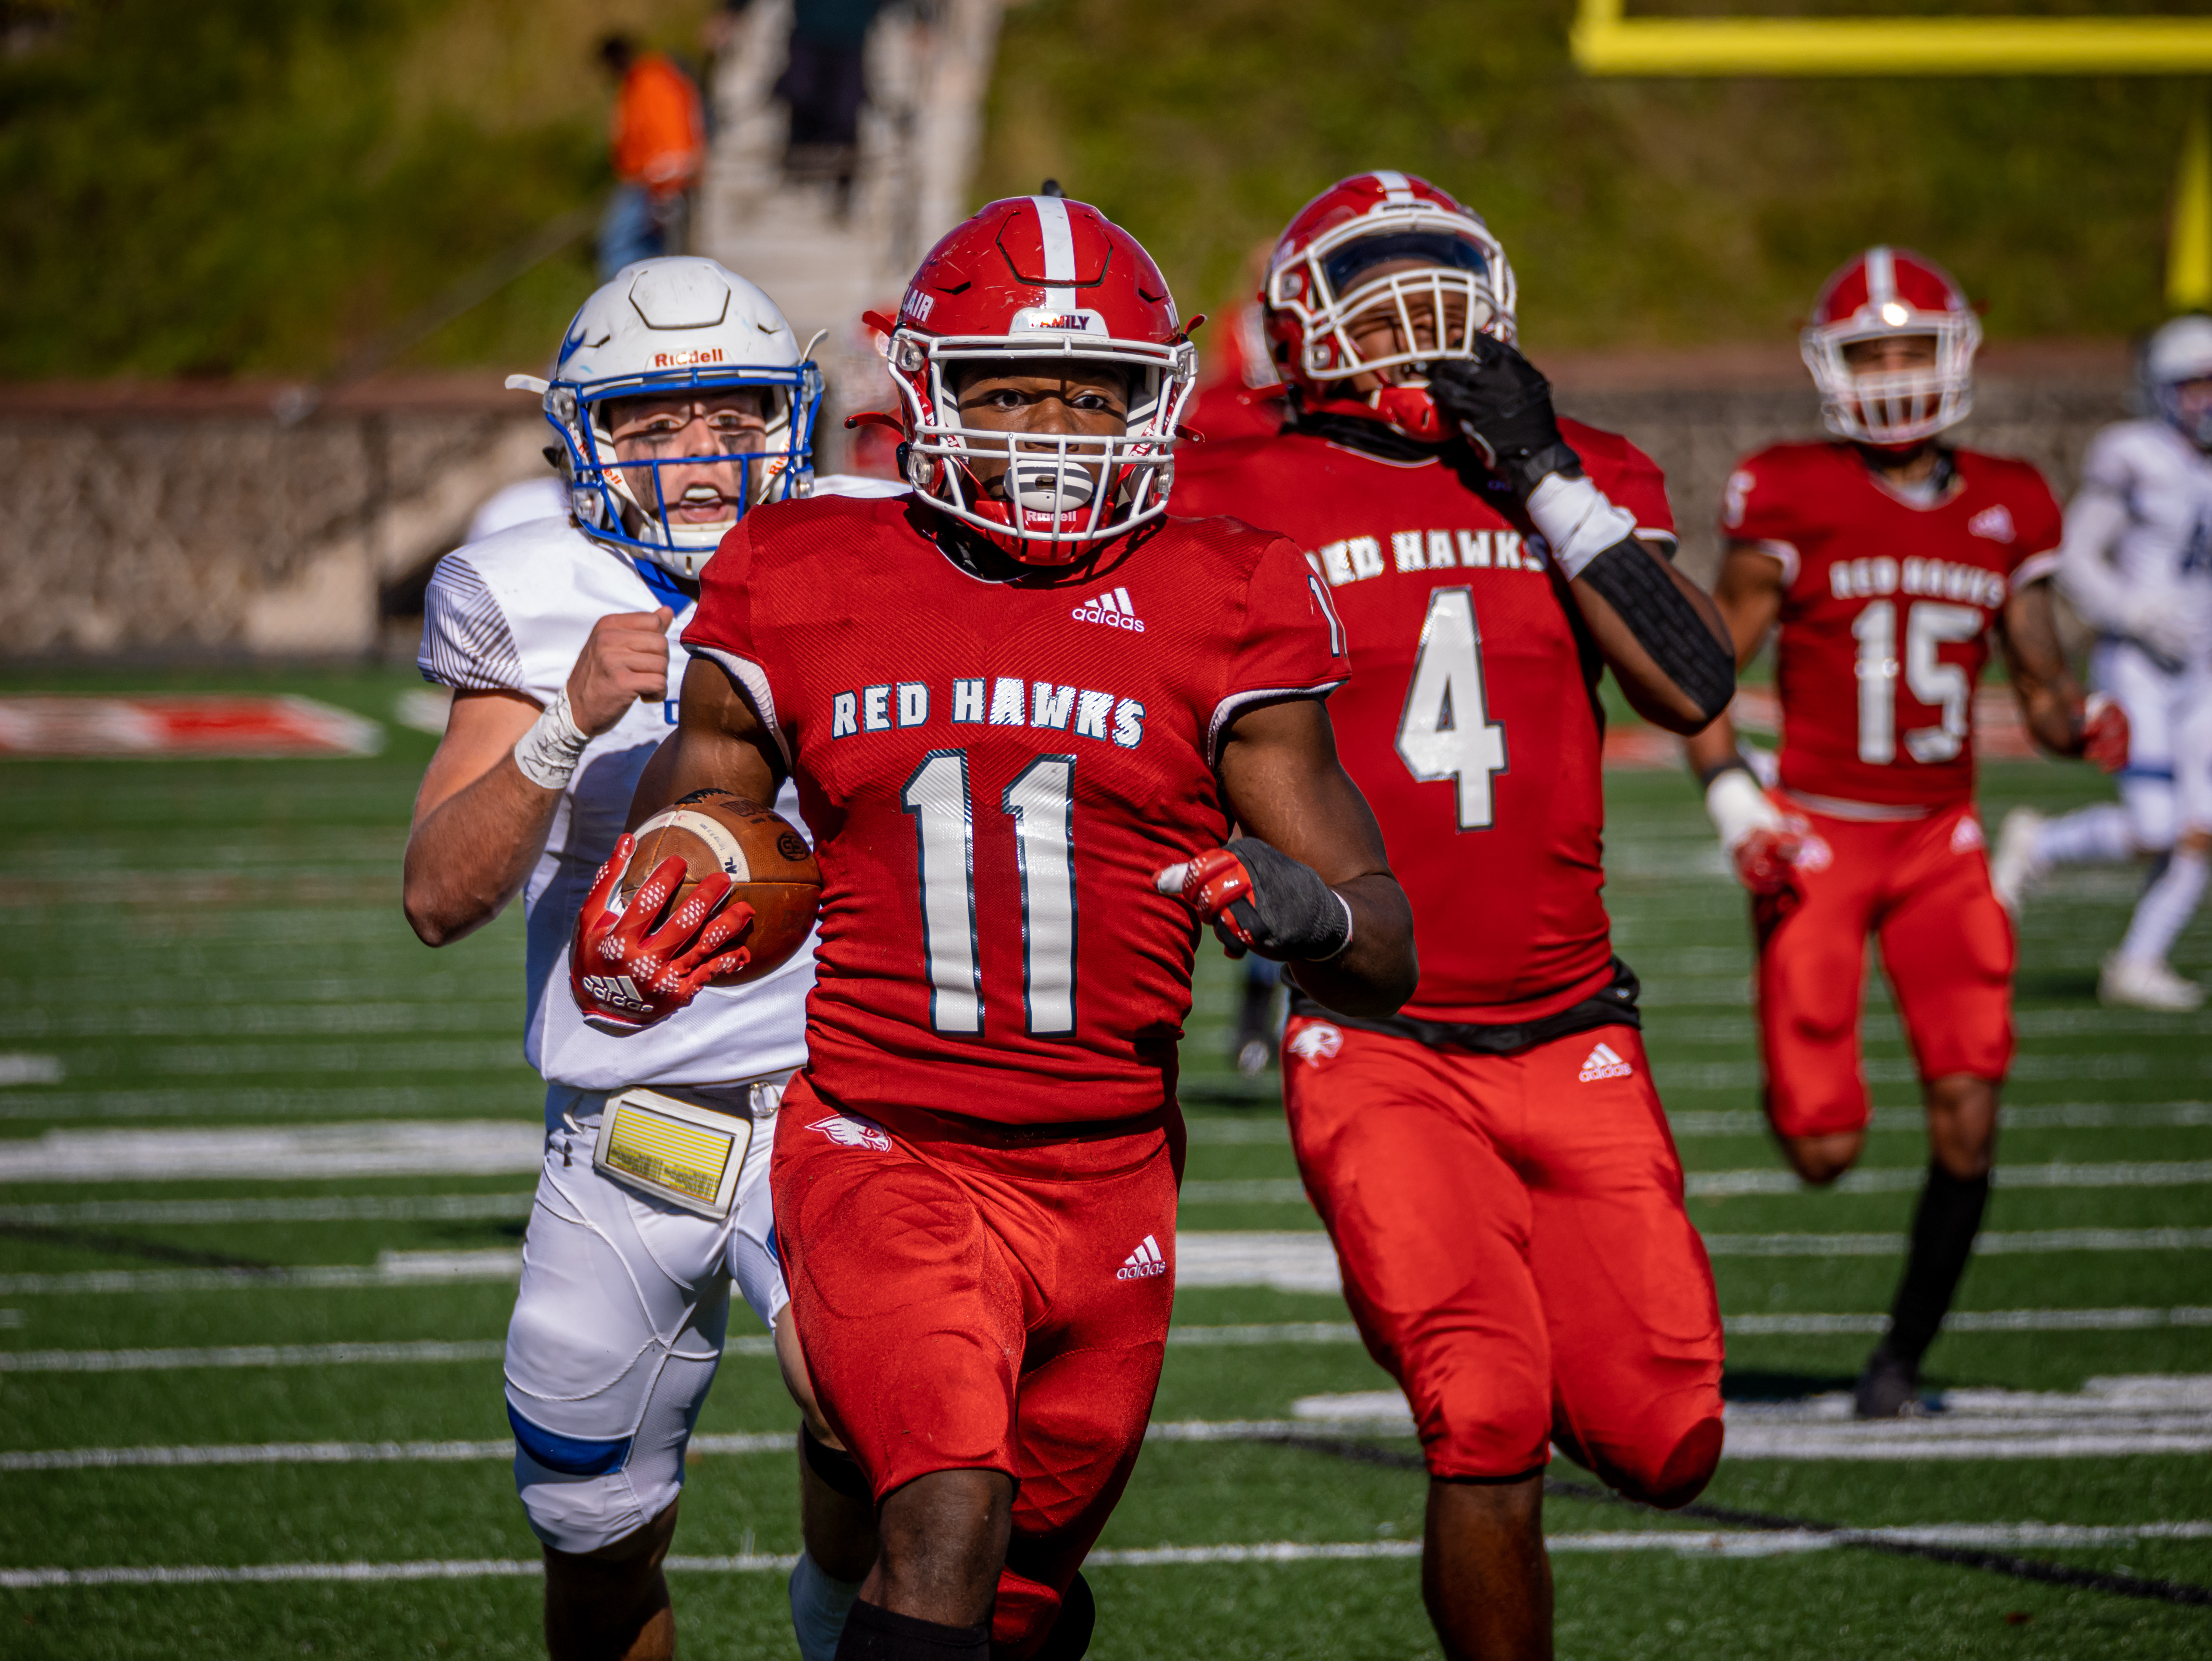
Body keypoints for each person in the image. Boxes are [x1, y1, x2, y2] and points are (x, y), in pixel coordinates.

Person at [572, 193, 1419, 1661]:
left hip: (1111, 1177)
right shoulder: (803, 572)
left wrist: (1306, 909)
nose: (1046, 429)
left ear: (1152, 405)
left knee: (1018, 1604)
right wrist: (666, 876)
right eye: (1005, 390)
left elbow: (1389, 947)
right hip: (884, 1143)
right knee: (947, 1524)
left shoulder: (1229, 592)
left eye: (1089, 396)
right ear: (927, 394)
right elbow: (700, 793)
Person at [1171, 171, 1738, 1661]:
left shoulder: (1573, 467)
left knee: (1666, 1437)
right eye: (1374, 294)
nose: (1412, 325)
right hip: (1381, 1035)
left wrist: (1543, 470)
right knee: (1481, 1413)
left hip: (1575, 1031)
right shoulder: (1237, 478)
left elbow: (1694, 683)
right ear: (1298, 328)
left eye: (1437, 290)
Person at [402, 256, 903, 1661]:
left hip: (840, 1104)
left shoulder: (871, 546)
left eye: (736, 415)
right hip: (630, 1129)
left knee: (886, 1422)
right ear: (584, 438)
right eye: (655, 425)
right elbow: (440, 897)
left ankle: (830, 1605)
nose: (701, 456)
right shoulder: (527, 590)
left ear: (793, 416)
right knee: (592, 1522)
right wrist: (565, 722)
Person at [1684, 247, 2128, 1421]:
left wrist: (2075, 718)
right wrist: (1732, 792)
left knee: (1970, 1104)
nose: (1890, 375)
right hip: (1820, 832)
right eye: (1867, 353)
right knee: (1821, 1147)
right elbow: (1700, 674)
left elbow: (2035, 680)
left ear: (1954, 356)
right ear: (1829, 367)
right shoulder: (1784, 489)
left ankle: (1897, 1358)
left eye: (1908, 351)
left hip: (1939, 836)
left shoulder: (2009, 498)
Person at [1991, 315, 2212, 1010]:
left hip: (2204, 668)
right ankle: (2043, 843)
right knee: (2153, 827)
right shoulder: (2135, 454)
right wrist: (2134, 612)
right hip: (2139, 664)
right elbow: (2075, 557)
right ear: (2161, 390)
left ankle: (2137, 964)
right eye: (2192, 385)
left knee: (2203, 825)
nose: (2205, 399)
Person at [597, 36, 707, 280]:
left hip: (651, 185)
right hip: (646, 182)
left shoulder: (652, 79)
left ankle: (621, 303)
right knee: (652, 252)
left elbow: (671, 133)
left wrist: (669, 180)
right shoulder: (640, 82)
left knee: (618, 244)